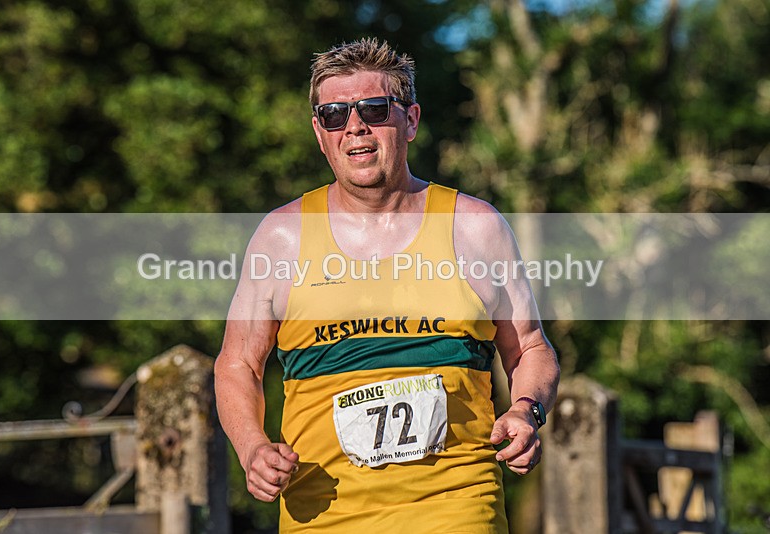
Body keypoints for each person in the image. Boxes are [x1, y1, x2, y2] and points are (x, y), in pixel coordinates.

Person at [214, 37, 560, 533]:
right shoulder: (281, 237)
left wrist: (526, 411)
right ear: (320, 133)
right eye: (335, 114)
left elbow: (530, 348)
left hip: (457, 507)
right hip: (324, 515)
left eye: (374, 109)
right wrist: (252, 448)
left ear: (411, 120)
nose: (355, 126)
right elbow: (238, 364)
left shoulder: (476, 227)